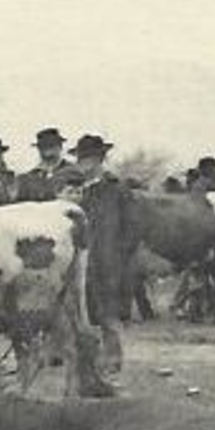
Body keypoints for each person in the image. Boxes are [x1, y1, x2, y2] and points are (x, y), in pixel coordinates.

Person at [70, 132, 135, 373]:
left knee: (108, 312)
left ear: (100, 160)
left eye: (91, 159)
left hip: (108, 260)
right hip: (80, 260)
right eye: (82, 159)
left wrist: (119, 255)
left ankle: (113, 359)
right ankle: (88, 360)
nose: (86, 164)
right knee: (82, 312)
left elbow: (131, 227)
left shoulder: (116, 190)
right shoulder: (75, 192)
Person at [15, 128, 77, 201]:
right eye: (44, 146)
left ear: (60, 147)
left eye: (51, 145)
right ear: (39, 149)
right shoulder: (26, 180)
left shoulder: (74, 172)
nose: (48, 151)